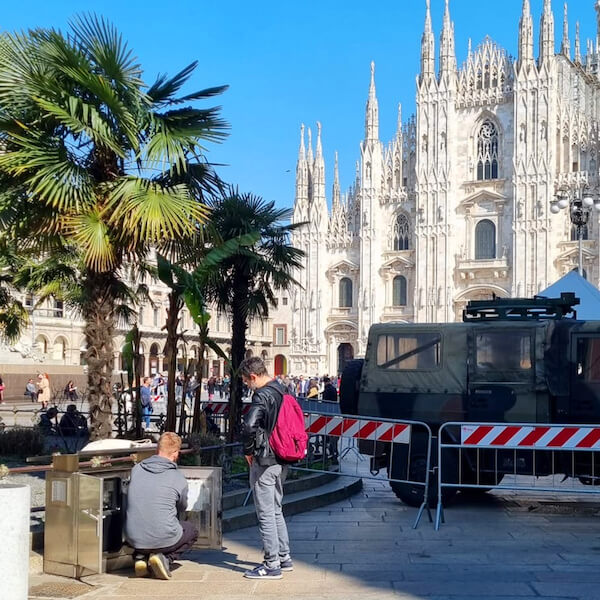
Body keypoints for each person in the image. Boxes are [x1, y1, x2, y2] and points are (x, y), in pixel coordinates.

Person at [241, 356, 293, 580]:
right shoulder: (282, 389)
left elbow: (249, 425)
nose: (246, 385)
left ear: (253, 376)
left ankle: (271, 564)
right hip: (282, 457)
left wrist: (248, 450)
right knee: (275, 508)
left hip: (265, 458)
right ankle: (284, 557)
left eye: (246, 381)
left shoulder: (262, 394)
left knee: (265, 513)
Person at [124, 432, 198, 580]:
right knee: (191, 531)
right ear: (176, 453)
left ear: (157, 449)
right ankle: (165, 559)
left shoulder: (136, 470)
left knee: (144, 524)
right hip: (164, 539)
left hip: (132, 538)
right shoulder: (178, 477)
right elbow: (182, 507)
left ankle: (141, 558)